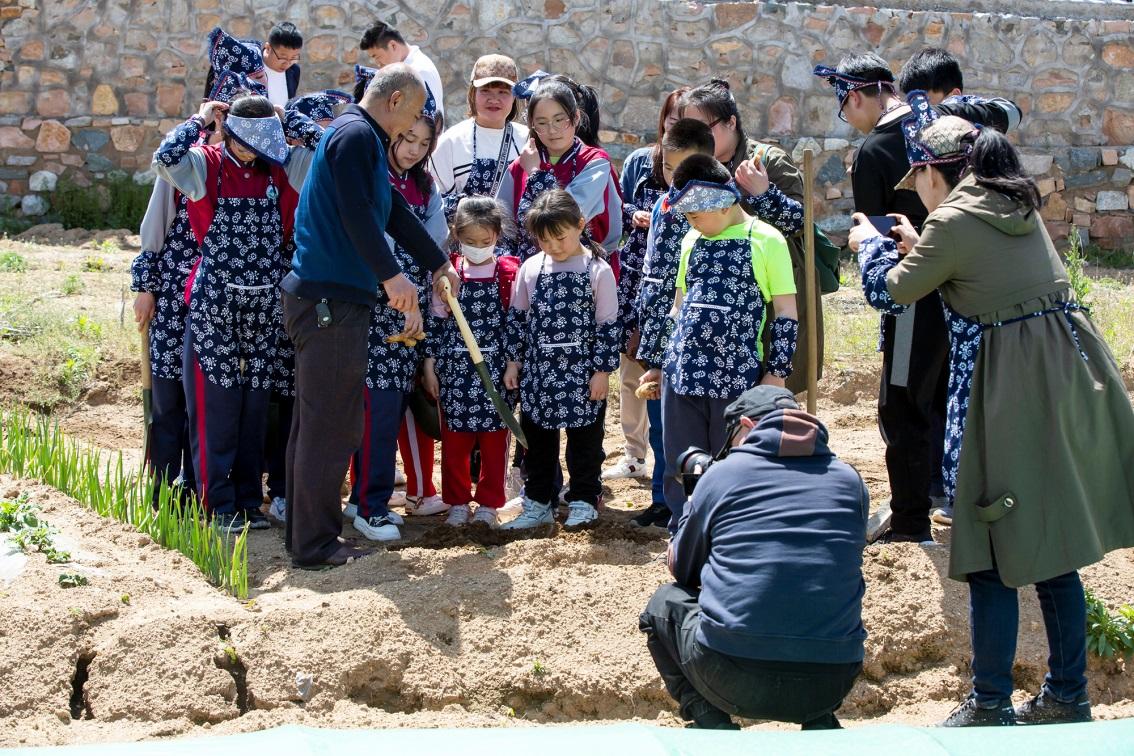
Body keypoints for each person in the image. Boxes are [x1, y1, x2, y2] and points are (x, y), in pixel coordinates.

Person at [848, 92, 1134, 727]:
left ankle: (989, 702)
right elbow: (979, 269)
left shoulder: (952, 222)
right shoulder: (1014, 204)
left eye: (915, 179)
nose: (914, 191)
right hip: (1058, 386)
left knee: (989, 547)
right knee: (1053, 547)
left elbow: (889, 294)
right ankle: (1067, 694)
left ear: (930, 171)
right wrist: (924, 244)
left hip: (1001, 392)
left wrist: (870, 244)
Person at [813, 53, 1022, 541]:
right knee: (956, 395)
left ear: (857, 95)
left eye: (846, 108)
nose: (850, 119)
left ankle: (910, 520)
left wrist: (869, 250)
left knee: (902, 404)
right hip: (973, 286)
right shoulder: (956, 123)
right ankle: (950, 495)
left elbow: (874, 232)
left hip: (914, 291)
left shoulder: (877, 149)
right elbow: (1010, 112)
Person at [281, 64, 458, 568]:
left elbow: (391, 211)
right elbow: (357, 214)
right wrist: (391, 277)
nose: (418, 119)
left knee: (317, 422)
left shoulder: (360, 137)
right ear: (396, 98)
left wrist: (435, 261)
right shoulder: (358, 134)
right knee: (329, 425)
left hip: (329, 297)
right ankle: (314, 545)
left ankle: (308, 535)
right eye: (417, 107)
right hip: (329, 299)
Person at [640, 385, 868, 730]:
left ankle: (709, 721)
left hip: (730, 674)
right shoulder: (850, 480)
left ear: (746, 425)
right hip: (833, 679)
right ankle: (820, 722)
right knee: (820, 598)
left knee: (662, 604)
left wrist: (694, 502)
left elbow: (681, 570)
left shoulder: (722, 476)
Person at [151, 94, 323, 533]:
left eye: (262, 142)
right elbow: (164, 157)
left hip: (266, 306)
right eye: (246, 141)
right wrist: (201, 119)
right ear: (228, 130)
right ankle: (217, 503)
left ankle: (248, 500)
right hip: (214, 305)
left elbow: (328, 152)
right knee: (216, 406)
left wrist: (290, 120)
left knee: (254, 408)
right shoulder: (205, 164)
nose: (253, 151)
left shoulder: (285, 167)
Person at [652, 155, 798, 531]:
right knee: (680, 462)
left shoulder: (766, 239)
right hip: (681, 375)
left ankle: (732, 535)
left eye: (695, 214)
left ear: (721, 201)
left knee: (733, 461)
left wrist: (777, 374)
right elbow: (678, 307)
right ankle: (683, 534)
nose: (691, 222)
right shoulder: (692, 238)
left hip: (735, 380)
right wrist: (659, 362)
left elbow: (785, 312)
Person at [347, 84, 448, 542]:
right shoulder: (371, 177)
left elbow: (432, 245)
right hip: (376, 301)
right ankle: (369, 504)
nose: (413, 149)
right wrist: (394, 292)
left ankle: (369, 499)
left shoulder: (426, 189)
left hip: (411, 310)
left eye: (424, 143)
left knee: (391, 405)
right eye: (407, 138)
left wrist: (427, 302)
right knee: (376, 406)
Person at [677, 80, 819, 397]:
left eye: (704, 127)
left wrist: (764, 194)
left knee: (771, 396)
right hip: (713, 307)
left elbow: (802, 222)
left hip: (769, 290)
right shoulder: (697, 167)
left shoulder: (769, 161)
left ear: (731, 122)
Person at [501, 190, 620, 531]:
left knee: (585, 443)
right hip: (540, 374)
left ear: (580, 225)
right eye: (544, 240)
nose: (553, 247)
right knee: (538, 443)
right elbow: (519, 319)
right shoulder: (531, 268)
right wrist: (514, 363)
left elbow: (607, 325)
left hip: (583, 375)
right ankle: (538, 502)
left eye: (560, 238)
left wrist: (601, 372)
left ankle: (583, 499)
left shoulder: (597, 270)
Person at [263, 89, 352, 524]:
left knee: (300, 402)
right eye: (322, 126)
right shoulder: (299, 157)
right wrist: (291, 119)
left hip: (299, 287)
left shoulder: (316, 158)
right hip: (299, 290)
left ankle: (288, 496)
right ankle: (285, 496)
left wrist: (289, 117)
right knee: (296, 406)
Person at [631, 118, 715, 529]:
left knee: (692, 430)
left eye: (684, 169)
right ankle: (664, 500)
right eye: (667, 168)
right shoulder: (662, 206)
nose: (674, 178)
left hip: (693, 335)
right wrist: (645, 337)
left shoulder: (713, 209)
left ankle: (695, 507)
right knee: (661, 428)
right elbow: (652, 275)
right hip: (657, 330)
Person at [603, 87, 686, 487]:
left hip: (678, 279)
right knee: (632, 364)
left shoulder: (700, 168)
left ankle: (671, 460)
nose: (675, 124)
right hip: (638, 272)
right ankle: (634, 454)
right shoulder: (641, 161)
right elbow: (616, 205)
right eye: (671, 117)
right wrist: (637, 213)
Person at [422, 197, 520, 528]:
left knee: (494, 439)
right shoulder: (447, 273)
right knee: (455, 441)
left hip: (494, 369)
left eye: (485, 242)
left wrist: (512, 362)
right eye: (470, 242)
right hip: (455, 370)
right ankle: (458, 502)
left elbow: (515, 323)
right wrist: (430, 364)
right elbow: (435, 320)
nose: (477, 248)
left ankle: (491, 503)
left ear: (497, 235)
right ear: (456, 234)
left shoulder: (508, 273)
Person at [496, 78, 622, 262]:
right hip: (529, 273)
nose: (552, 130)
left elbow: (562, 218)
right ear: (531, 125)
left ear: (576, 117)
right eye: (542, 122)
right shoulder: (520, 166)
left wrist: (535, 174)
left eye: (559, 120)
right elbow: (502, 225)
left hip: (585, 270)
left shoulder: (594, 163)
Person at [430, 54, 529, 221]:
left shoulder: (528, 140)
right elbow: (435, 204)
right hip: (465, 244)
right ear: (472, 93)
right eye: (485, 90)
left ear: (514, 96)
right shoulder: (451, 142)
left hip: (517, 245)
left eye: (503, 92)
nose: (494, 99)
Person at [359, 20, 444, 123]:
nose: (377, 63)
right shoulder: (407, 68)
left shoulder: (419, 71)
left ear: (393, 46)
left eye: (377, 56)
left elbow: (425, 122)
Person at [202, 27, 268, 102]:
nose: (256, 85)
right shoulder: (215, 113)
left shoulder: (273, 110)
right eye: (245, 82)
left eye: (260, 76)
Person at [261, 22, 303, 107]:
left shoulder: (294, 71)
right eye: (283, 57)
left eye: (293, 58)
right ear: (268, 48)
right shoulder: (251, 67)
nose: (287, 63)